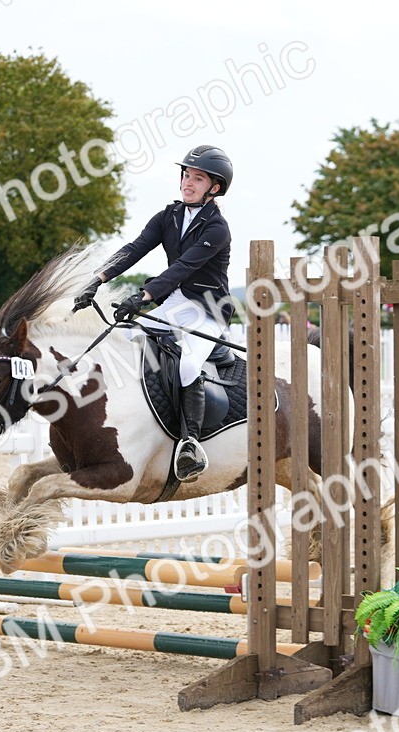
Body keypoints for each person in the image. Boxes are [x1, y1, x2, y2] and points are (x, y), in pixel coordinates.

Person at [72, 144, 233, 482]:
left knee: (188, 365)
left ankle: (189, 443)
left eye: (198, 178)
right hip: (175, 303)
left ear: (214, 188)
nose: (187, 182)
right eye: (186, 175)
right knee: (126, 340)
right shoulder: (169, 216)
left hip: (207, 310)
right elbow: (134, 249)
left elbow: (184, 268)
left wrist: (144, 296)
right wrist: (97, 279)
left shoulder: (217, 228)